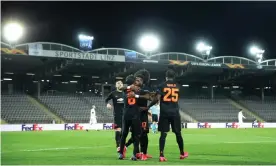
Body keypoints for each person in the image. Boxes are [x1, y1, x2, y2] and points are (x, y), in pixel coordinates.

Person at [152, 69, 188, 162]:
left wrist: (148, 106)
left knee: (163, 134)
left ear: (166, 76)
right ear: (174, 76)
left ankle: (161, 155)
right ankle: (182, 153)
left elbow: (156, 99)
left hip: (164, 112)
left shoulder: (161, 86)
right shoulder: (178, 86)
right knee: (178, 133)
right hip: (175, 112)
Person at [118, 75, 144, 160]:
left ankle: (121, 154)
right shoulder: (137, 89)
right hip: (135, 114)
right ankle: (134, 155)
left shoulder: (125, 89)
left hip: (126, 114)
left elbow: (121, 87)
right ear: (134, 82)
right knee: (136, 135)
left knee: (124, 134)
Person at [105, 80, 125, 151]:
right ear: (116, 85)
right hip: (117, 114)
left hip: (125, 115)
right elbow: (106, 100)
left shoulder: (125, 93)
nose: (119, 84)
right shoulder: (113, 93)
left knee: (123, 131)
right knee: (118, 129)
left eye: (121, 83)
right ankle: (118, 146)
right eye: (118, 83)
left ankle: (122, 145)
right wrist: (107, 104)